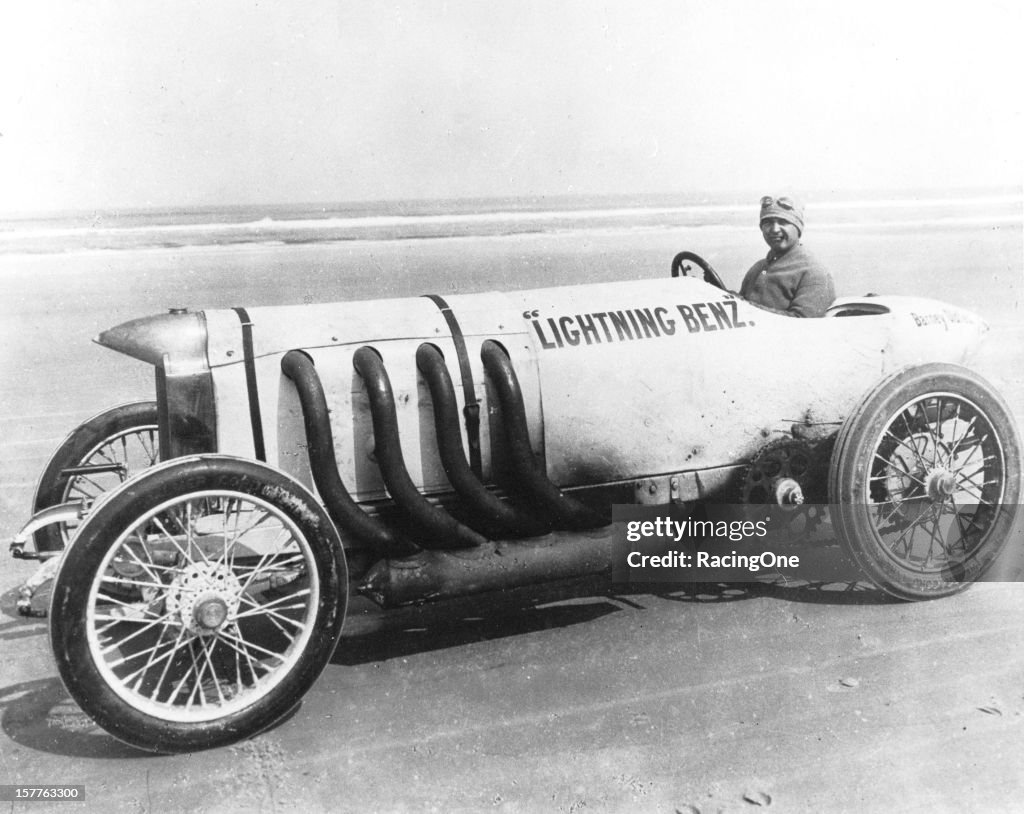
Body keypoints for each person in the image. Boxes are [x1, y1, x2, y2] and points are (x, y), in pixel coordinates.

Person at [739, 194, 835, 318]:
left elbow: (804, 323)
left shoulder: (814, 272)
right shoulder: (757, 268)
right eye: (768, 223)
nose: (774, 229)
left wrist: (747, 307)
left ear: (798, 228)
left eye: (783, 222)